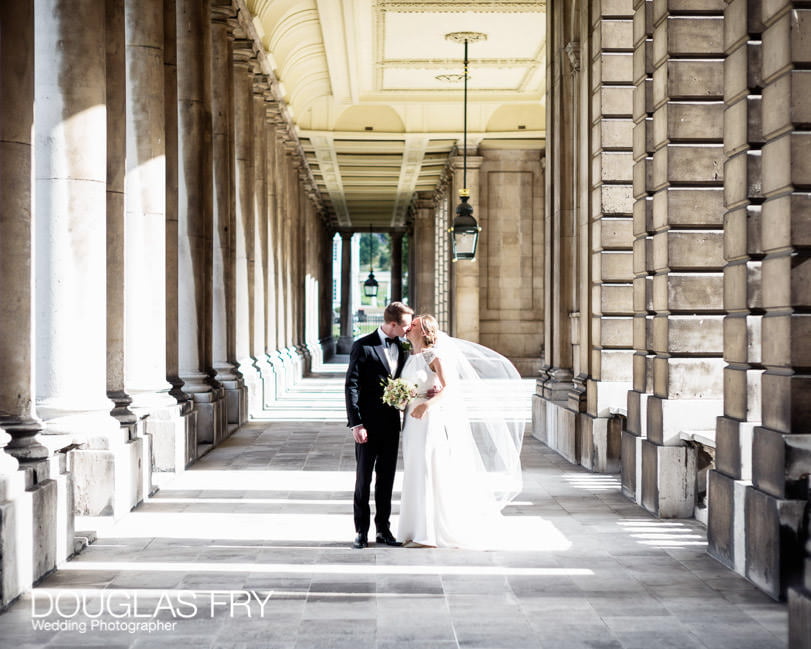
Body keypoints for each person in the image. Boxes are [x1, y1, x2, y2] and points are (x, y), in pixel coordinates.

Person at [397, 314, 525, 549]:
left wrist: (427, 404)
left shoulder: (433, 355)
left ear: (424, 331)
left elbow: (449, 389)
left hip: (428, 419)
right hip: (412, 421)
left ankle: (428, 535)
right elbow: (411, 387)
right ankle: (413, 529)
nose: (408, 326)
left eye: (413, 324)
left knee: (427, 467)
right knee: (414, 469)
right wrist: (402, 400)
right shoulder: (410, 356)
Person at [345, 301, 414, 549]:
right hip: (367, 425)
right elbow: (351, 386)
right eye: (406, 325)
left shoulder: (405, 347)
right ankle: (360, 532)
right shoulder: (362, 346)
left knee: (387, 479)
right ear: (392, 324)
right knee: (364, 480)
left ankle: (383, 530)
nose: (409, 329)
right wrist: (356, 424)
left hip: (391, 424)